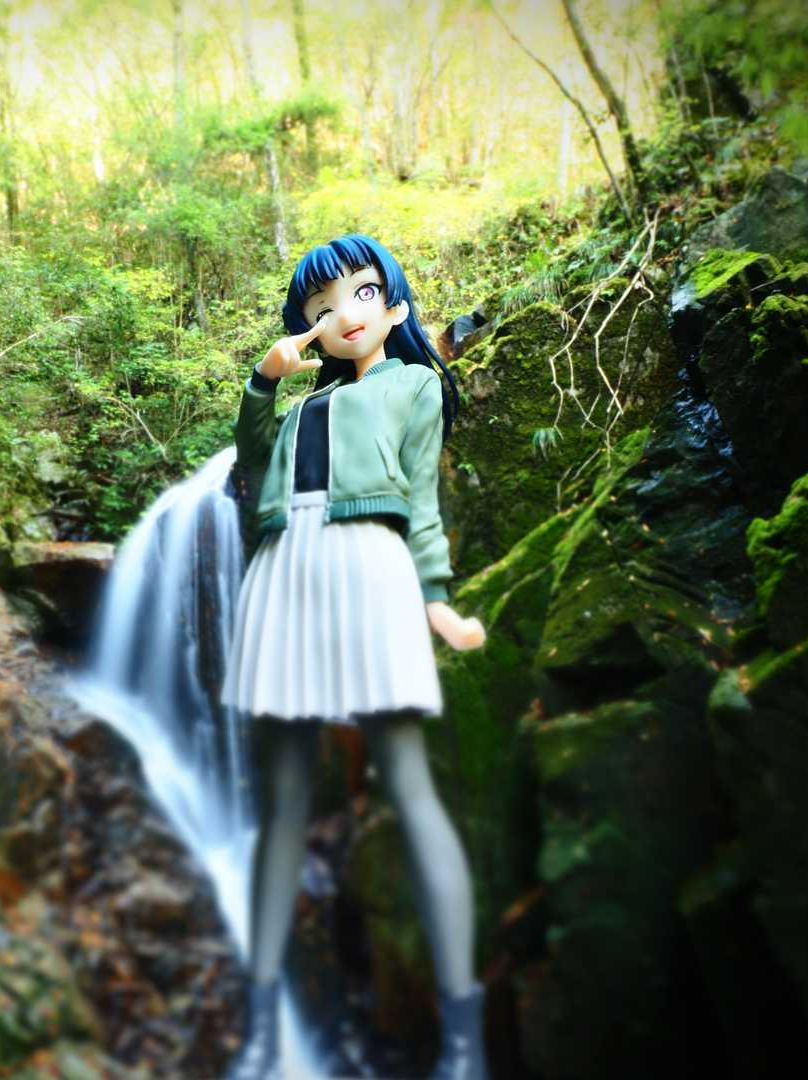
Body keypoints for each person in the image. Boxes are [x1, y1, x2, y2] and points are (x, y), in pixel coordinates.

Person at [220, 234, 489, 1080]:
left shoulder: (413, 384)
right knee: (283, 805)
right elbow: (250, 469)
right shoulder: (304, 407)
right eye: (320, 307)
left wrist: (435, 596)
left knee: (410, 789)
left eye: (361, 294)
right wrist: (263, 382)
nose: (342, 314)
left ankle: (463, 1034)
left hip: (372, 563)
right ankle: (261, 1028)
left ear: (395, 305)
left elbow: (422, 498)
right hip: (283, 569)